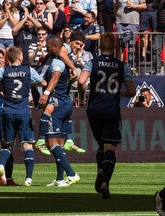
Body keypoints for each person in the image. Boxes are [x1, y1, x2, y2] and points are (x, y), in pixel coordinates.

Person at [0, 45, 47, 186]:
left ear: (8, 59)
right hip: (24, 111)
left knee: (7, 144)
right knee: (27, 145)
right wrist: (30, 82)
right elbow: (42, 82)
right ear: (20, 58)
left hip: (8, 112)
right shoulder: (28, 70)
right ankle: (28, 178)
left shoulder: (3, 71)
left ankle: (1, 166)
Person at [78, 32, 136, 199]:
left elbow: (81, 81)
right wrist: (120, 93)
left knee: (101, 144)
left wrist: (82, 98)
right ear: (114, 47)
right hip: (111, 108)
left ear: (100, 46)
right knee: (110, 147)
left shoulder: (92, 62)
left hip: (94, 108)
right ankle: (105, 180)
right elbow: (132, 91)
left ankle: (101, 171)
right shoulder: (121, 65)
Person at [37, 35, 81, 186]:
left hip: (57, 104)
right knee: (59, 144)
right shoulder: (56, 56)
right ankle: (60, 179)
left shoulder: (57, 62)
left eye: (48, 46)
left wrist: (46, 93)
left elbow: (55, 78)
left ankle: (72, 174)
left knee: (51, 142)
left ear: (56, 48)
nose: (46, 48)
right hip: (64, 103)